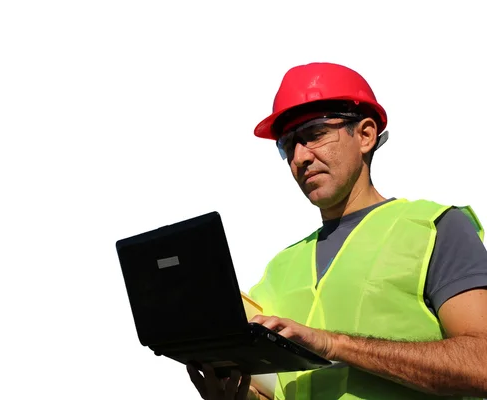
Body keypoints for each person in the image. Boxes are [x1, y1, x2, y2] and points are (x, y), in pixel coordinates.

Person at [186, 62, 487, 400]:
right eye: (288, 144)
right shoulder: (280, 269)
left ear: (365, 135)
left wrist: (333, 343)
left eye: (314, 134)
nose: (299, 156)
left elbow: (482, 365)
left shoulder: (434, 228)